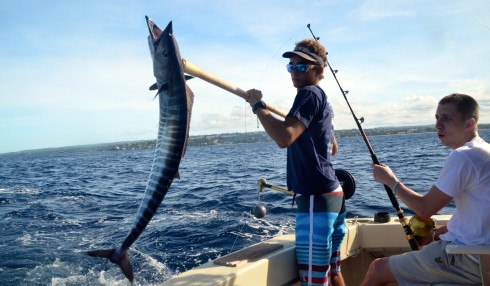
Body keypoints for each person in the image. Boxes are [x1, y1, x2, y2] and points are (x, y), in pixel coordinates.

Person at [361, 93, 490, 285]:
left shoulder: (464, 157)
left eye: (447, 118)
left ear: (469, 124)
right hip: (478, 254)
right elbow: (476, 219)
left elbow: (424, 209)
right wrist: (436, 235)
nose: (438, 125)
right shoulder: (483, 152)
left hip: (468, 258)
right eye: (437, 118)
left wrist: (391, 181)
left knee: (377, 269)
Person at [247, 39, 346, 286]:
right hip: (333, 194)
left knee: (314, 280)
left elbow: (284, 137)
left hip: (315, 197)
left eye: (302, 67)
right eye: (291, 67)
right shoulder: (322, 99)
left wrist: (258, 106)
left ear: (319, 71)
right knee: (332, 271)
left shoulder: (308, 94)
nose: (295, 72)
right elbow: (333, 147)